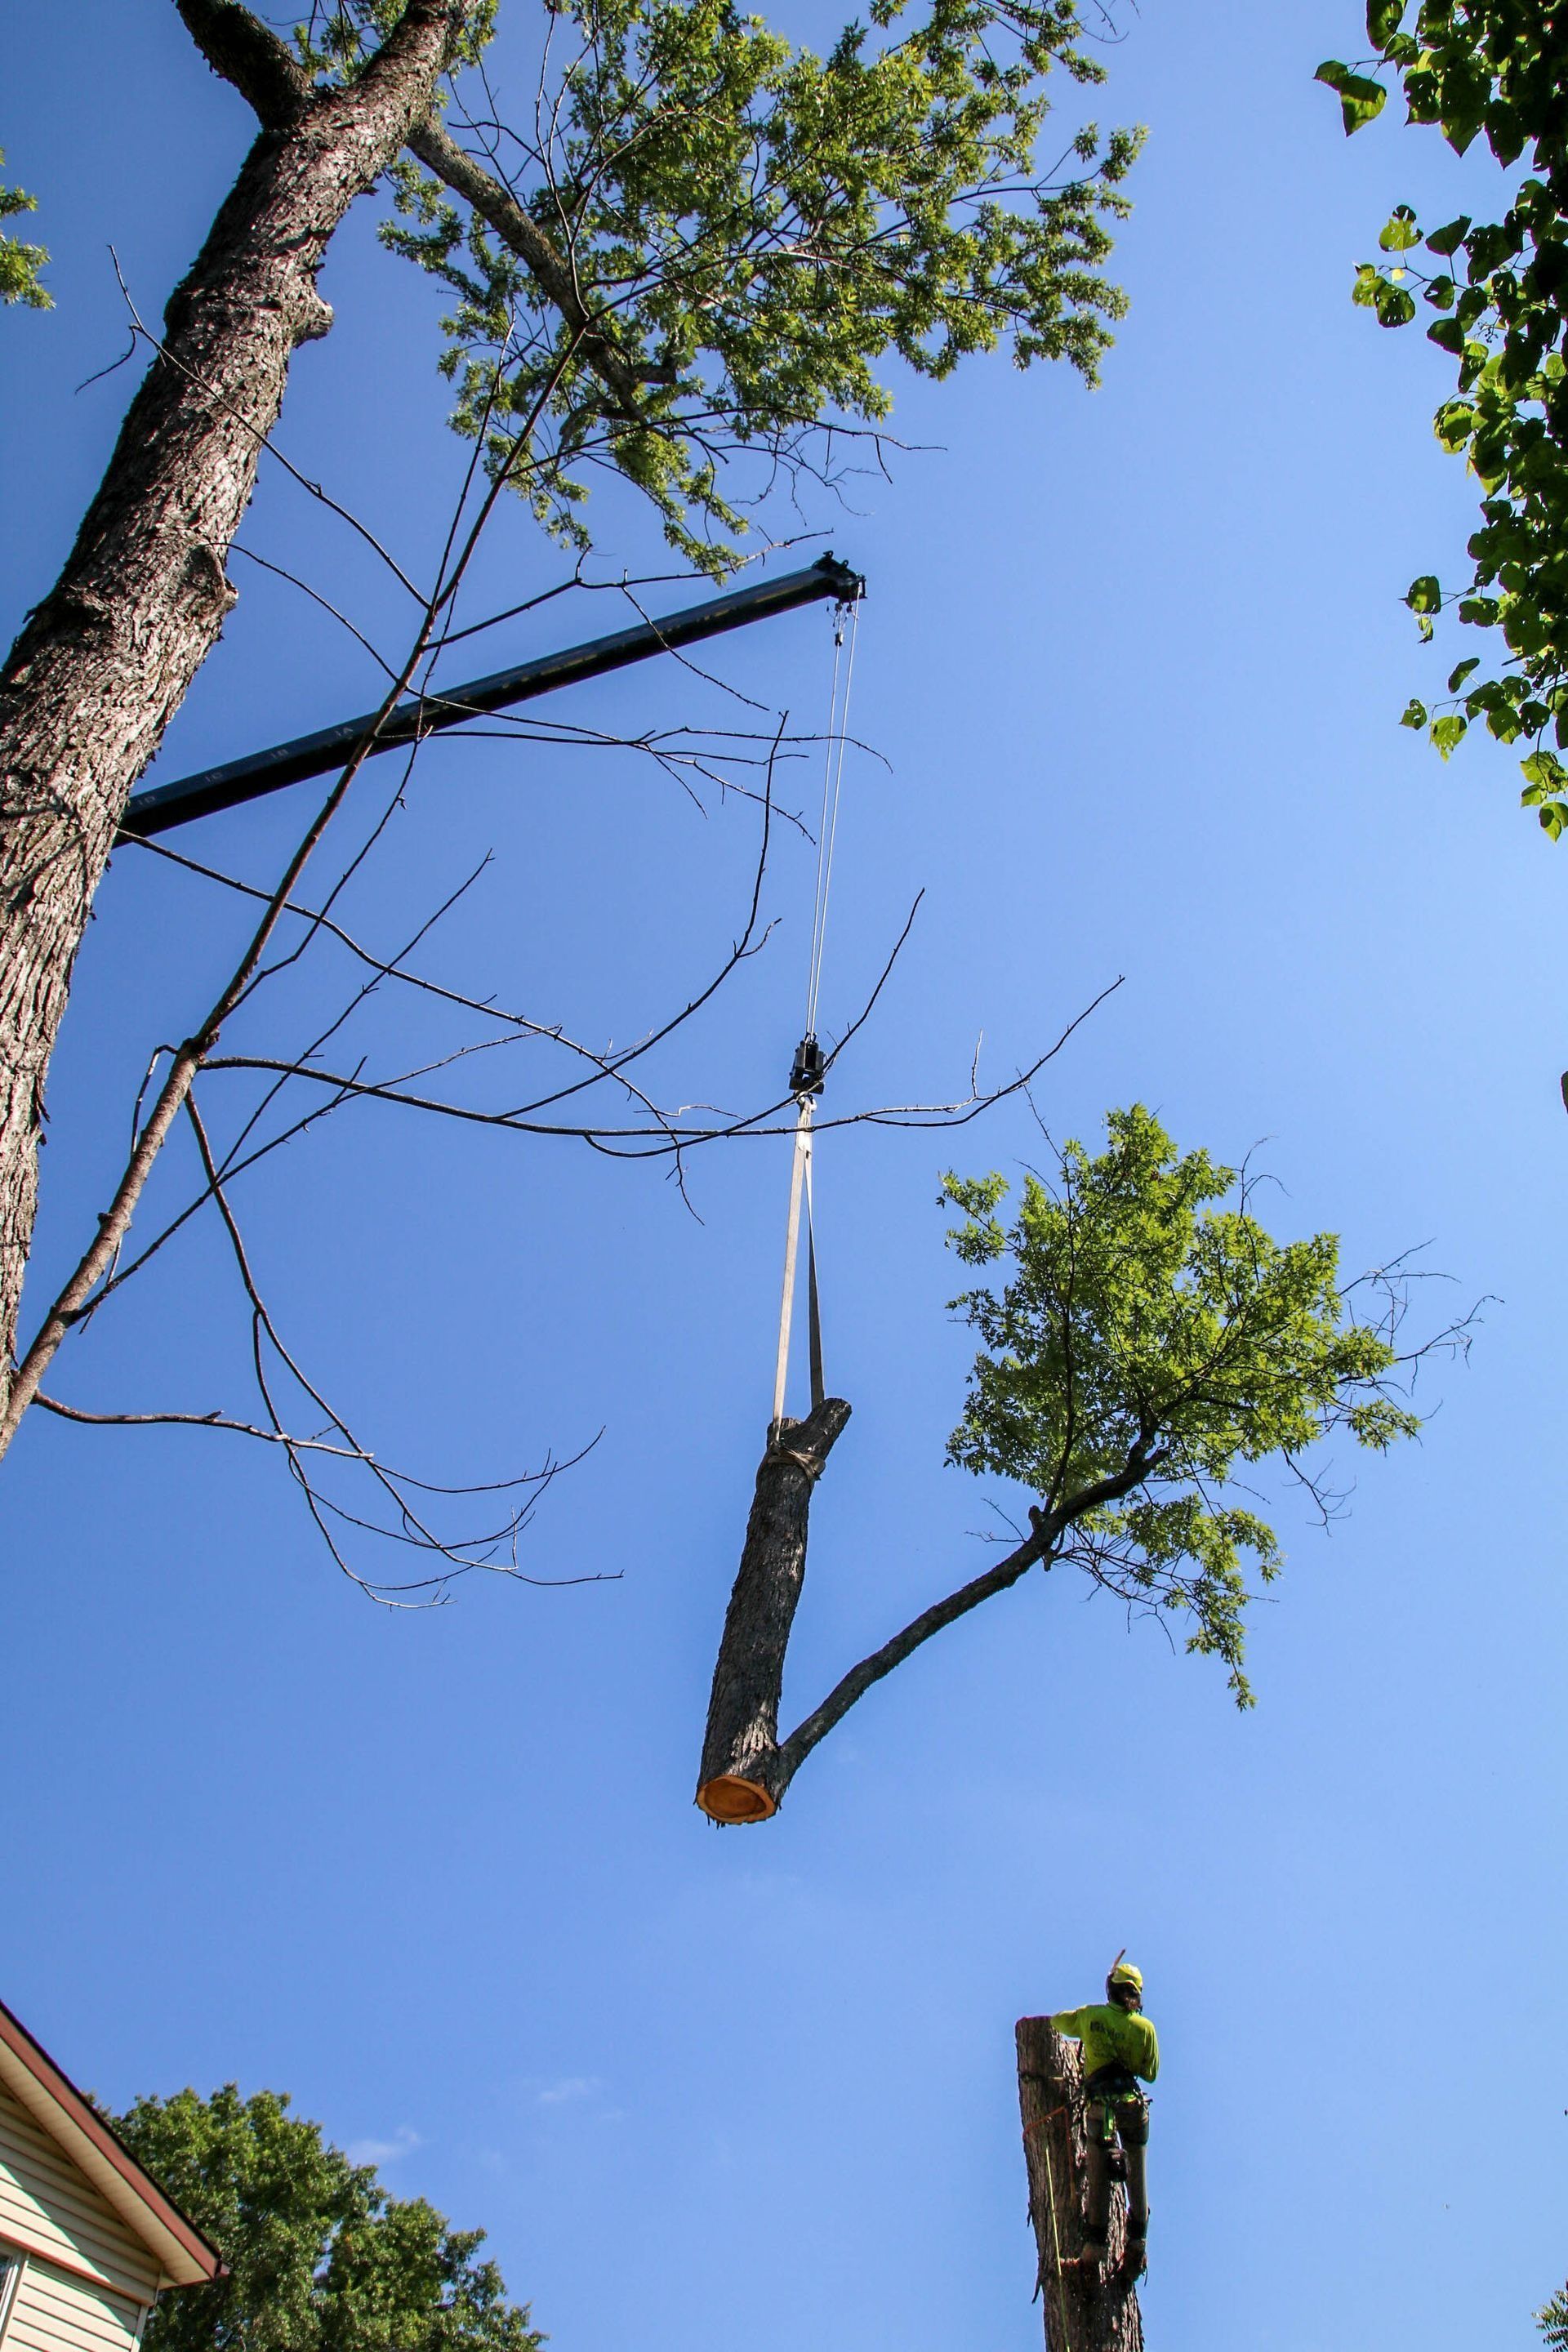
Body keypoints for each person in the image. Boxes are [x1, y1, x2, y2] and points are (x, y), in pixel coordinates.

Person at [1049, 1957, 1159, 2272]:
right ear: (1135, 1994)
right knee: (1137, 2176)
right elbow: (1150, 2073)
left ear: (1109, 1989)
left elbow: (1058, 2022)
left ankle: (1093, 2252)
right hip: (1133, 2106)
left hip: (1102, 2111)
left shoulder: (1090, 2017)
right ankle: (1137, 2245)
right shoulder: (1145, 2028)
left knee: (1098, 2178)